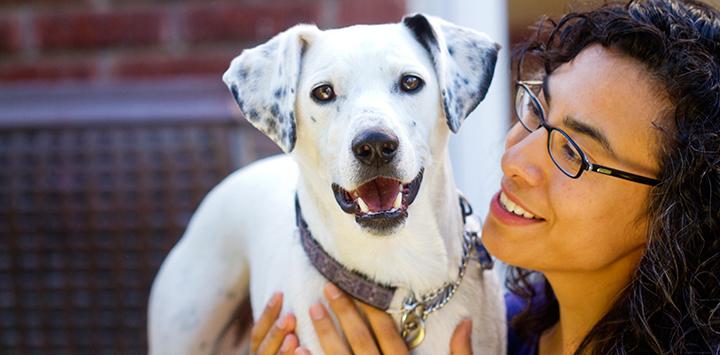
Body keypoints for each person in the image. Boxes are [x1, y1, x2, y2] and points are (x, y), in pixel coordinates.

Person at [248, 0, 720, 353]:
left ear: (677, 211)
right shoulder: (501, 324)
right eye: (538, 108)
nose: (513, 158)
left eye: (575, 150)